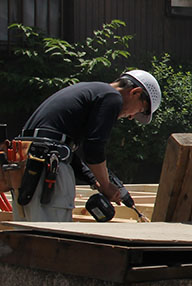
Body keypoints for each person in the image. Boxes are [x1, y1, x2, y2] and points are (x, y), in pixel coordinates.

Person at [13, 70, 161, 222]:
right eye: (140, 110)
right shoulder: (112, 97)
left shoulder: (91, 91)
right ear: (135, 92)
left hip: (27, 162)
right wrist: (105, 185)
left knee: (27, 233)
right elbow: (94, 149)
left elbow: (68, 152)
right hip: (48, 165)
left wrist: (94, 180)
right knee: (53, 234)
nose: (131, 117)